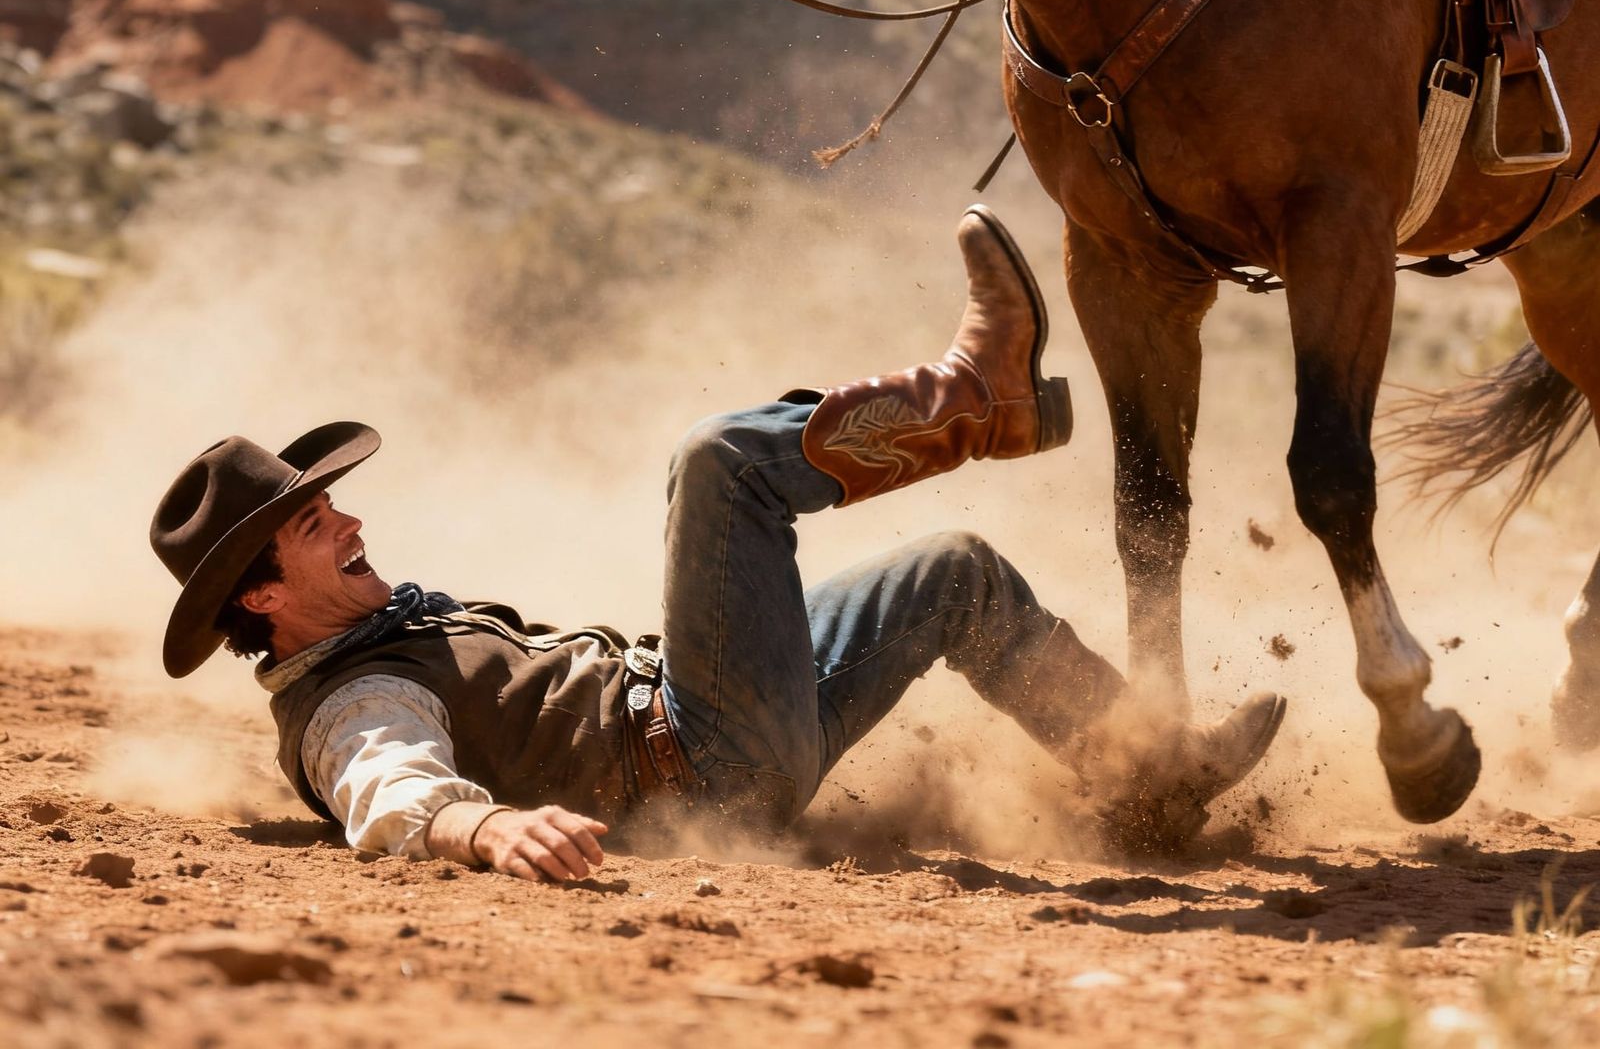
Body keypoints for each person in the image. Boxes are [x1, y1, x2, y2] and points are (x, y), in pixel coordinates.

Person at [149, 207, 1285, 882]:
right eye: (314, 525)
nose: (350, 520)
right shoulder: (348, 701)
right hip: (702, 761)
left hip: (718, 743)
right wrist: (480, 824)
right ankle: (977, 403)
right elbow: (381, 782)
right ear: (259, 600)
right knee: (720, 465)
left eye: (332, 507)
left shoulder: (374, 633)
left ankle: (1149, 793)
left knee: (956, 575)